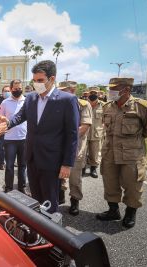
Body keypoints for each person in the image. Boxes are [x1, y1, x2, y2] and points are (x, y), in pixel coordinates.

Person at [0, 60, 79, 213]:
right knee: (35, 199)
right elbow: (19, 117)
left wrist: (67, 164)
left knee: (49, 201)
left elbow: (72, 135)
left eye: (40, 80)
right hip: (32, 157)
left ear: (52, 79)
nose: (37, 84)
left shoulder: (67, 100)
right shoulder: (30, 98)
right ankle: (38, 233)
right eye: (34, 81)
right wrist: (7, 121)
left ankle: (51, 234)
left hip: (52, 160)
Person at [96, 77, 147, 228]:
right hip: (110, 152)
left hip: (132, 155)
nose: (110, 92)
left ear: (127, 90)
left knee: (133, 185)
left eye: (114, 89)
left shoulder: (144, 107)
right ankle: (113, 210)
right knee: (110, 182)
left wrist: (133, 141)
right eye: (110, 88)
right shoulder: (108, 107)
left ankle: (130, 213)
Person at [58, 81, 92, 215]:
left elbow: (84, 127)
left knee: (75, 177)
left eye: (63, 90)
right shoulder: (58, 103)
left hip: (76, 147)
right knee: (59, 174)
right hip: (59, 146)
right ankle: (60, 196)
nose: (60, 93)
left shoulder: (83, 105)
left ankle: (74, 201)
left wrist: (67, 137)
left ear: (72, 90)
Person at [0, 79, 28, 194]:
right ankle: (9, 187)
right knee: (9, 166)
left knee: (22, 165)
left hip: (24, 138)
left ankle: (22, 187)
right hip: (10, 139)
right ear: (11, 89)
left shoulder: (27, 101)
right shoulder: (5, 103)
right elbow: (0, 119)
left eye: (20, 88)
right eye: (15, 89)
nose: (18, 90)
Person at [85, 87, 104, 178]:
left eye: (95, 93)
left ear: (98, 94)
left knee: (94, 152)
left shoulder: (103, 106)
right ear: (88, 94)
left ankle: (93, 169)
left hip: (96, 133)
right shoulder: (83, 104)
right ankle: (82, 168)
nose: (93, 94)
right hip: (84, 133)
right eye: (91, 92)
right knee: (83, 152)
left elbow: (106, 120)